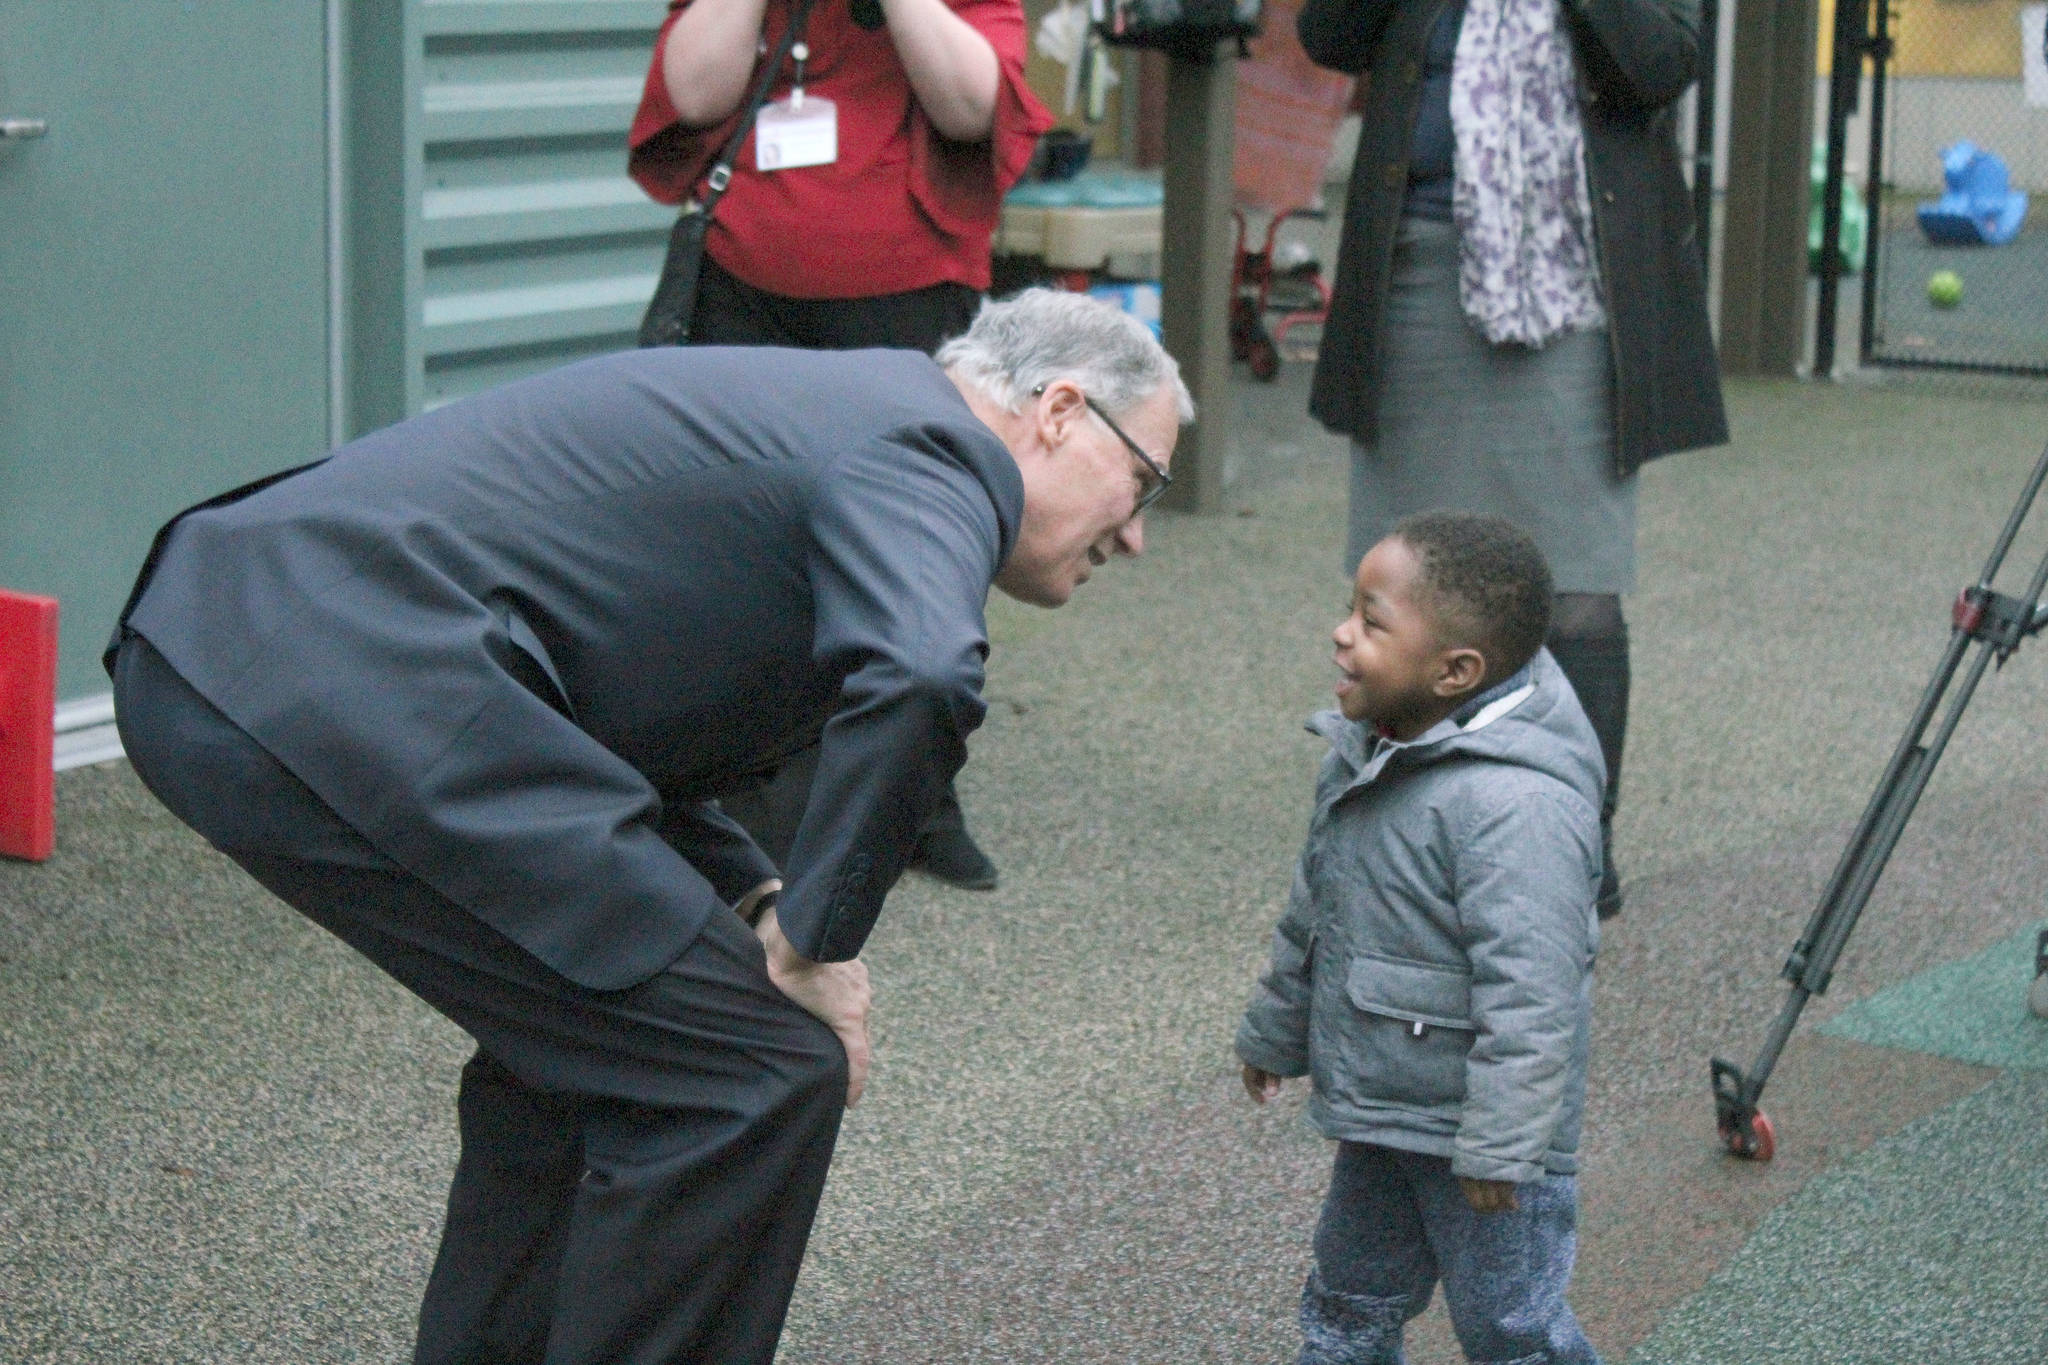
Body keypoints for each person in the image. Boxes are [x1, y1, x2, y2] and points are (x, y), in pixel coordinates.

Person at [106, 288, 1190, 1365]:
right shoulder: (935, 452)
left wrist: (757, 895)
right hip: (329, 671)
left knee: (592, 1057)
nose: (1136, 534)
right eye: (1140, 482)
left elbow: (623, 714)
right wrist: (817, 940)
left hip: (269, 644)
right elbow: (917, 678)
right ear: (1054, 411)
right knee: (751, 1075)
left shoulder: (856, 414)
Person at [1297, 0, 1728, 918]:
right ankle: (1394, 821)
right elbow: (1329, 37)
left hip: (1569, 277)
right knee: (1401, 577)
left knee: (1574, 583)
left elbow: (1662, 64)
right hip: (1417, 262)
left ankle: (1574, 836)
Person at [626, 0, 1057, 888]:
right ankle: (741, 801)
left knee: (924, 545)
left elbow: (972, 108)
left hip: (908, 285)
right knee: (737, 551)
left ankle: (920, 794)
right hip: (742, 283)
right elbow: (696, 91)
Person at [1237, 511, 1604, 1365]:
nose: (1340, 634)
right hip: (1382, 1108)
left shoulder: (1518, 807)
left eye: (1371, 621)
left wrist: (1504, 1145)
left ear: (1456, 671)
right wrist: (1275, 1026)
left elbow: (1535, 993)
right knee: (1348, 1299)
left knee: (1511, 1329)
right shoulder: (1373, 746)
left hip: (1488, 1151)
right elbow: (1317, 907)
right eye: (1349, 611)